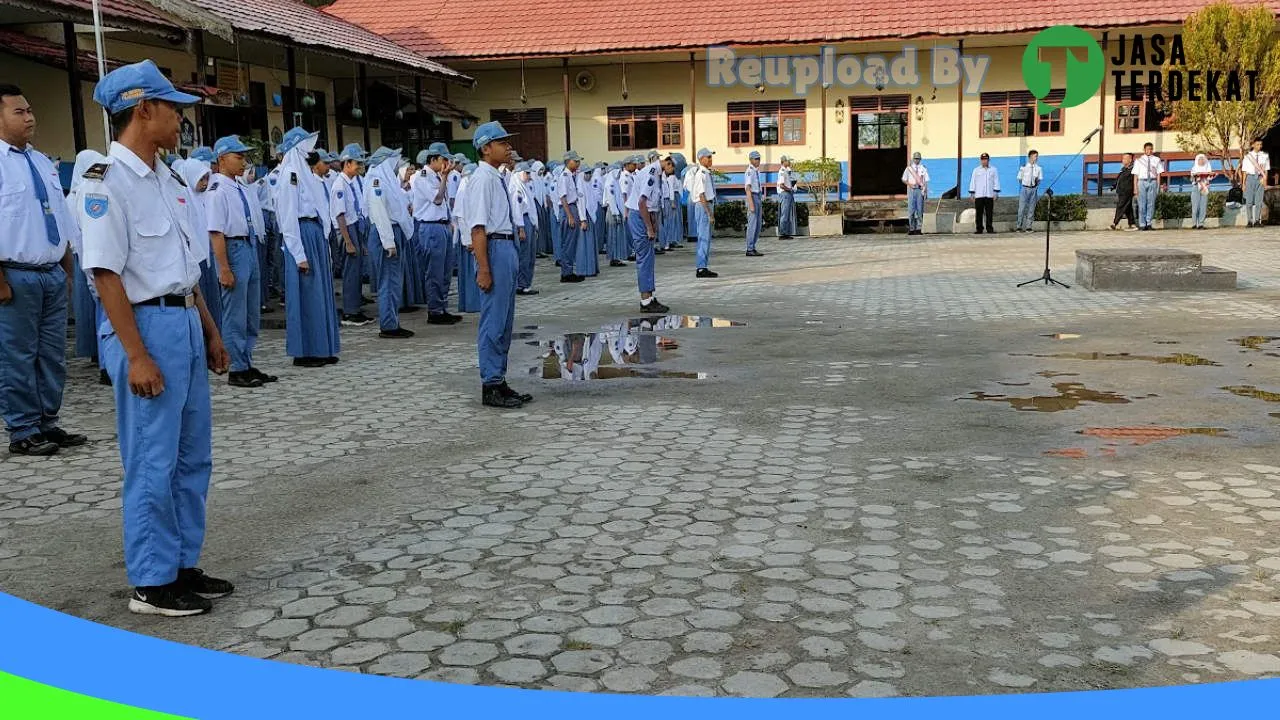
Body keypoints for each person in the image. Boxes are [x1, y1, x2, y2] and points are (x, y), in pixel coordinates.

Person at [80, 60, 232, 615]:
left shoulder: (166, 177)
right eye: (173, 109)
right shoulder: (106, 180)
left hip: (185, 320)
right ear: (143, 109)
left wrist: (211, 331)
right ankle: (151, 580)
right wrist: (136, 354)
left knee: (193, 456)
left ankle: (182, 563)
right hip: (143, 327)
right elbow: (105, 274)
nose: (181, 120)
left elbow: (186, 270)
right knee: (152, 457)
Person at [0, 84, 88, 456]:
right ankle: (22, 429)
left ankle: (48, 423)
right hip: (13, 273)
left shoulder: (40, 161)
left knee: (52, 354)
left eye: (30, 109)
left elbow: (60, 218)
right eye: (19, 111)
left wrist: (67, 270)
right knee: (17, 355)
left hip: (52, 271)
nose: (30, 117)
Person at [462, 121, 531, 409]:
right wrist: (484, 268)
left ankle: (499, 380)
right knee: (493, 321)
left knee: (504, 321)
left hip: (506, 245)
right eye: (502, 143)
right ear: (486, 148)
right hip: (494, 248)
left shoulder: (497, 176)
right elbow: (477, 229)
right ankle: (490, 385)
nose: (508, 147)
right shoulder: (482, 179)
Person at [206, 135, 273, 388]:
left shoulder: (239, 186)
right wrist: (224, 267)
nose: (244, 161)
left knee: (250, 311)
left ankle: (246, 360)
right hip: (232, 248)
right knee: (235, 312)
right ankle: (236, 368)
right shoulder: (217, 189)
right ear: (222, 159)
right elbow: (216, 232)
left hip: (249, 245)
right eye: (238, 156)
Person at [277, 126, 340, 367]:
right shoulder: (290, 173)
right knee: (306, 294)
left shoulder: (306, 174)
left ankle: (321, 347)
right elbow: (288, 216)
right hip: (302, 235)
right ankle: (305, 352)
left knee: (319, 293)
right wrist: (298, 254)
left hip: (314, 234)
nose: (310, 151)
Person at [363, 146, 413, 339]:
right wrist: (388, 242)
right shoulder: (377, 180)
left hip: (393, 232)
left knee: (394, 281)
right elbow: (379, 213)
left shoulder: (387, 180)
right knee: (389, 281)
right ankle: (389, 326)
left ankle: (392, 321)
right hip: (386, 234)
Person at [412, 142, 462, 324]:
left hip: (442, 225)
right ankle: (434, 311)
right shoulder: (423, 176)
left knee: (445, 270)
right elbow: (438, 199)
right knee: (434, 271)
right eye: (443, 160)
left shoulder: (437, 176)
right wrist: (445, 178)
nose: (446, 163)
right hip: (431, 227)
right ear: (433, 160)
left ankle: (442, 307)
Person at [69, 150, 109, 375]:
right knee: (104, 315)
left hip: (96, 260)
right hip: (91, 262)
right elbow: (81, 238)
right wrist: (92, 274)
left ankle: (106, 362)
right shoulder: (82, 195)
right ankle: (106, 366)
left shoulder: (93, 192)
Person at [174, 158, 223, 337]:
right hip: (195, 260)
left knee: (213, 303)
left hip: (208, 257)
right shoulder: (183, 198)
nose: (204, 184)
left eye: (206, 179)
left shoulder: (206, 198)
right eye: (200, 179)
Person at [623, 150, 671, 313]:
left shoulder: (656, 173)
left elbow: (651, 205)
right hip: (639, 216)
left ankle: (649, 297)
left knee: (648, 259)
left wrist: (654, 223)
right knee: (644, 258)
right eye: (673, 168)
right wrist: (650, 227)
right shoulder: (651, 175)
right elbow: (642, 203)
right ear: (668, 163)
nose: (673, 172)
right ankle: (645, 301)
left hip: (643, 216)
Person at [330, 144, 373, 326]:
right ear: (347, 163)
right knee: (350, 272)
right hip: (346, 230)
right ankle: (349, 312)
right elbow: (340, 215)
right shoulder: (340, 185)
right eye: (357, 163)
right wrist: (348, 241)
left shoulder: (351, 182)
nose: (360, 166)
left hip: (355, 227)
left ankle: (355, 308)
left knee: (356, 272)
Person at [510, 161, 540, 296]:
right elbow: (517, 210)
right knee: (524, 255)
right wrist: (521, 228)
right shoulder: (516, 188)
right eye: (526, 173)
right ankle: (521, 284)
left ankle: (526, 283)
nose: (529, 176)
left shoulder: (525, 187)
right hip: (522, 222)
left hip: (529, 221)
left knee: (530, 255)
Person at [556, 151, 586, 283]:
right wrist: (570, 216)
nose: (578, 163)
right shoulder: (564, 176)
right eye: (576, 161)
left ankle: (568, 270)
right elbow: (563, 197)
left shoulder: (572, 176)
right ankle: (566, 273)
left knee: (571, 242)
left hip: (572, 207)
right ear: (569, 162)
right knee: (568, 242)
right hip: (568, 209)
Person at [689, 147, 718, 278]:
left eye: (711, 157)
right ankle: (701, 268)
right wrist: (709, 214)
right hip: (703, 206)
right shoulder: (701, 174)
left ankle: (703, 265)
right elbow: (701, 195)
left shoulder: (706, 173)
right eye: (708, 157)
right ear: (701, 159)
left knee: (706, 237)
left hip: (707, 205)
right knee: (703, 237)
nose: (711, 159)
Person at [573, 158, 599, 276]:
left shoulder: (589, 185)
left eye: (590, 173)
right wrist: (583, 219)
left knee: (591, 243)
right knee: (584, 244)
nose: (589, 175)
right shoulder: (580, 185)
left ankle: (592, 268)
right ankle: (585, 269)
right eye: (587, 173)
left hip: (591, 216)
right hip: (584, 217)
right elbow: (581, 203)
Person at [968, 152, 999, 234]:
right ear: (980, 160)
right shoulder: (976, 170)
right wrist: (972, 193)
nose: (984, 161)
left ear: (988, 160)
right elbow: (973, 181)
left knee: (989, 213)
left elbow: (996, 181)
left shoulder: (993, 169)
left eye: (986, 159)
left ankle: (989, 228)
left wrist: (996, 192)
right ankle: (979, 229)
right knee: (979, 213)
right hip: (979, 194)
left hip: (989, 194)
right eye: (983, 160)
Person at [1133, 142, 1162, 231]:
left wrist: (1158, 184)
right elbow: (1135, 175)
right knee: (1142, 204)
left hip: (1152, 182)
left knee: (1151, 203)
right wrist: (1135, 187)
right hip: (1142, 182)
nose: (1149, 150)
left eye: (1151, 149)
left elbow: (1158, 173)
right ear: (1144, 150)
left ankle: (1149, 222)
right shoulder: (1139, 160)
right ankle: (1142, 224)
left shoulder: (1156, 159)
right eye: (1147, 149)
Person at [1243, 138, 1271, 228]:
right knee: (1249, 201)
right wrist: (1243, 183)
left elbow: (1266, 170)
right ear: (1253, 145)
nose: (1259, 146)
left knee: (1259, 201)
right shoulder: (1248, 156)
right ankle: (1249, 221)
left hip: (1260, 178)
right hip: (1250, 178)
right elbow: (1244, 171)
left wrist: (1265, 182)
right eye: (1258, 144)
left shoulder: (1264, 156)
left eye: (1260, 144)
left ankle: (1257, 221)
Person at [1013, 150, 1041, 233]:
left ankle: (1029, 226)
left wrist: (1035, 186)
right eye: (1035, 156)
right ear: (1030, 157)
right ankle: (1019, 226)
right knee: (1021, 208)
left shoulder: (1038, 168)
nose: (1036, 158)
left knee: (1031, 208)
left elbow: (1039, 179)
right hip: (1025, 189)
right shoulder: (1024, 167)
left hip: (1034, 189)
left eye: (1036, 156)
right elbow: (1019, 178)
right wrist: (1025, 185)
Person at [1109, 152, 1138, 231]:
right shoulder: (1123, 169)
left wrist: (1135, 190)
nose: (1123, 160)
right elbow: (1119, 178)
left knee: (1121, 206)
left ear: (1130, 160)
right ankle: (1132, 224)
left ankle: (1114, 223)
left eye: (1125, 158)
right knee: (1128, 208)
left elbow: (1135, 180)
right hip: (1121, 191)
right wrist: (1114, 185)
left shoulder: (1133, 169)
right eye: (1123, 158)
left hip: (1127, 191)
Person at [902, 151, 928, 235]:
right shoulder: (909, 169)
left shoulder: (923, 168)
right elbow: (904, 179)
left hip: (920, 190)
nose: (917, 160)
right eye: (915, 158)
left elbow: (926, 180)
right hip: (911, 189)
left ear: (920, 159)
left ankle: (919, 228)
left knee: (920, 210)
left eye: (918, 159)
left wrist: (925, 190)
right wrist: (910, 185)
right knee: (911, 209)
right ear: (913, 159)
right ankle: (912, 228)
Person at [744, 150, 765, 255]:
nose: (758, 161)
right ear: (751, 160)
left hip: (757, 196)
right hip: (752, 196)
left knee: (758, 224)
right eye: (756, 159)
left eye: (759, 159)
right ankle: (750, 248)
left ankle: (753, 246)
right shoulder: (749, 171)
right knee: (752, 224)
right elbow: (748, 188)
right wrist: (751, 203)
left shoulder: (756, 171)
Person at [1190, 154, 1216, 230]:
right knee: (1195, 206)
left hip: (1205, 187)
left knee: (1203, 206)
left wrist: (1210, 175)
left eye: (1203, 159)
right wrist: (1196, 176)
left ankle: (1201, 224)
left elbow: (1210, 178)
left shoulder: (1208, 168)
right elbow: (1191, 179)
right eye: (1199, 159)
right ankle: (1194, 223)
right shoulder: (1194, 169)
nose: (1201, 161)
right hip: (1196, 187)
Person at [777, 155, 798, 239]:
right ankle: (783, 234)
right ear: (783, 162)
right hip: (785, 194)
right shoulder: (782, 171)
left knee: (787, 214)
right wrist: (789, 189)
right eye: (787, 161)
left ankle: (786, 233)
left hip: (788, 193)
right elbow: (781, 185)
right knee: (784, 214)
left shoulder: (786, 170)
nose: (789, 162)